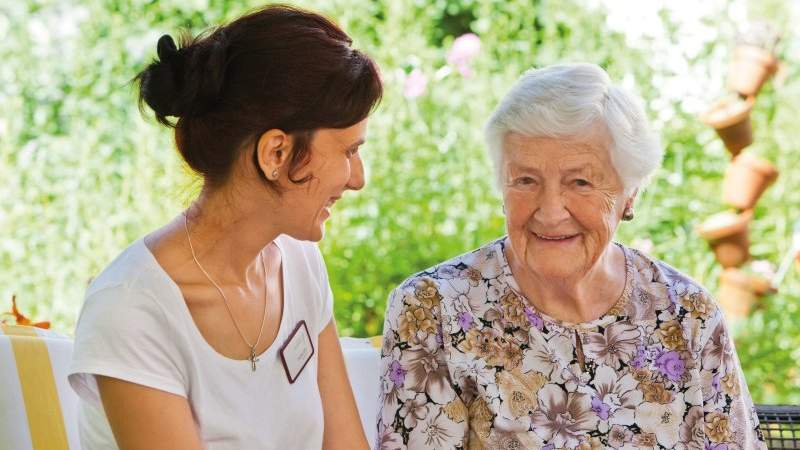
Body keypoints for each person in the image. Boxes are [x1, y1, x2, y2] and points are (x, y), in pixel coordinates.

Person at [376, 63, 766, 450]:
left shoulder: (688, 314)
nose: (550, 211)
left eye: (580, 182)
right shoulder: (434, 309)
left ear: (628, 194)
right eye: (525, 180)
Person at [68, 5, 382, 449]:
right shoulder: (132, 309)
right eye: (349, 151)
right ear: (276, 153)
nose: (358, 177)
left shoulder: (300, 266)